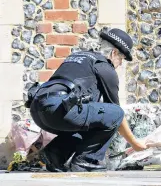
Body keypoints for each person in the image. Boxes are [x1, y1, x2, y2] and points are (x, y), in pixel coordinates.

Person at [29, 28, 147, 172]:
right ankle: (87, 161)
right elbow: (117, 115)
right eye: (121, 58)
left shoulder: (79, 56)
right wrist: (135, 143)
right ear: (114, 52)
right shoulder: (105, 67)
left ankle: (55, 154)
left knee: (91, 121)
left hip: (38, 110)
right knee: (115, 113)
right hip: (60, 110)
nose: (121, 64)